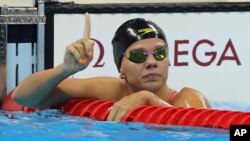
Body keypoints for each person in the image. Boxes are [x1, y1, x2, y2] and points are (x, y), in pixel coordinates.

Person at [12, 13, 211, 122]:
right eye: (138, 55)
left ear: (169, 60)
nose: (151, 62)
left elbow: (198, 131)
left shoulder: (189, 98)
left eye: (160, 53)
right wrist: (64, 69)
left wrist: (149, 99)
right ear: (120, 68)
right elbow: (22, 97)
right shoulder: (110, 90)